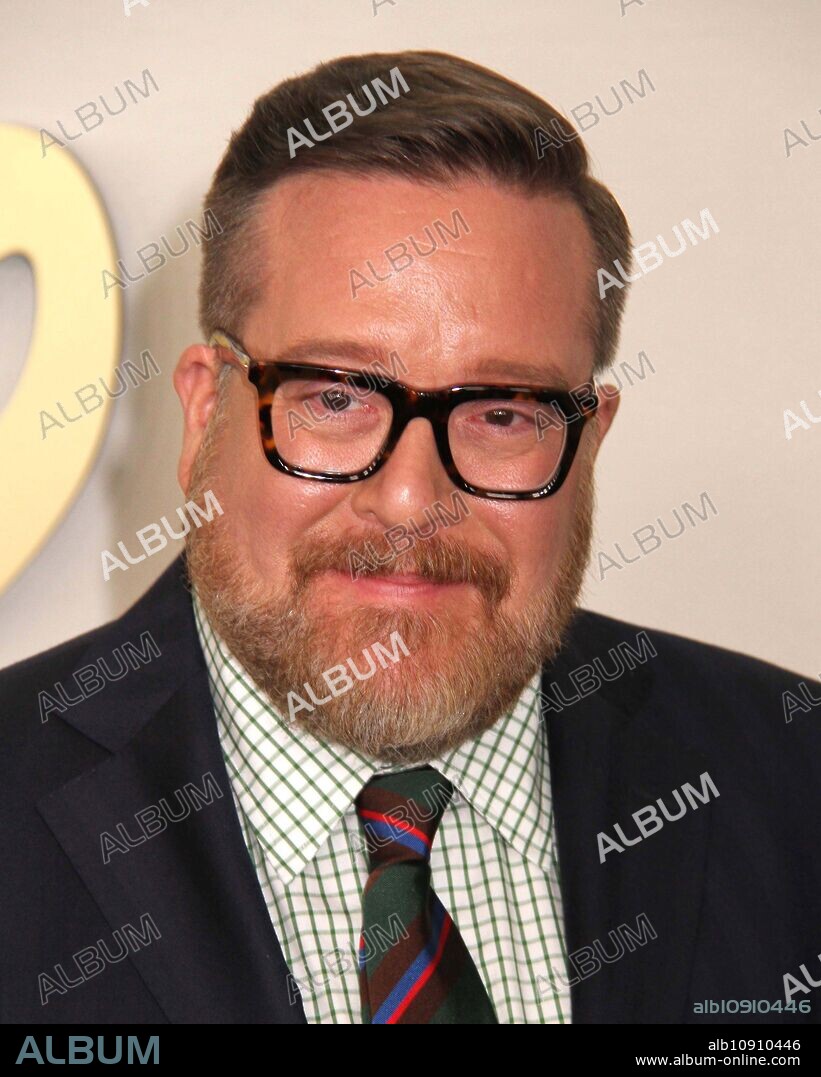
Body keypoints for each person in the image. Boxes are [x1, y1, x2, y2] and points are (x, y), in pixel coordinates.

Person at [1, 50, 819, 1026]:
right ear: (202, 415)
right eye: (336, 397)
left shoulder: (790, 777)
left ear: (588, 442)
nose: (407, 501)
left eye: (502, 414)